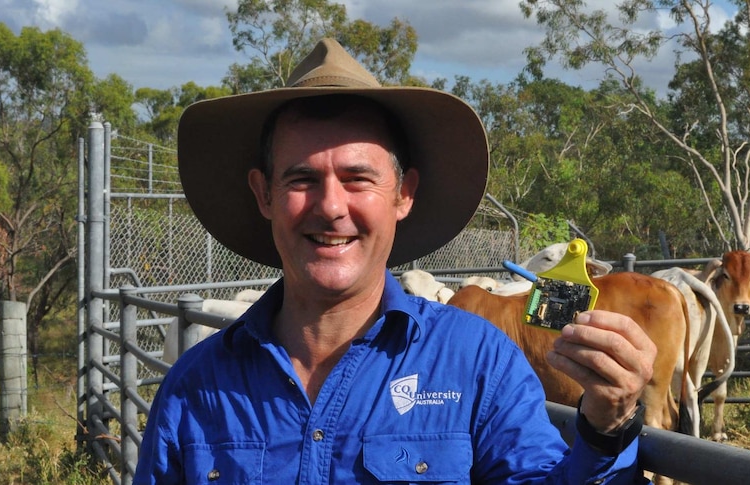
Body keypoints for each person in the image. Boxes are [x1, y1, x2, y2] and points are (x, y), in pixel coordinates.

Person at [134, 38, 655, 484]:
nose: (331, 206)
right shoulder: (194, 388)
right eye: (301, 179)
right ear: (264, 194)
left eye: (358, 178)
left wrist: (608, 426)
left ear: (403, 194)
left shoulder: (477, 363)